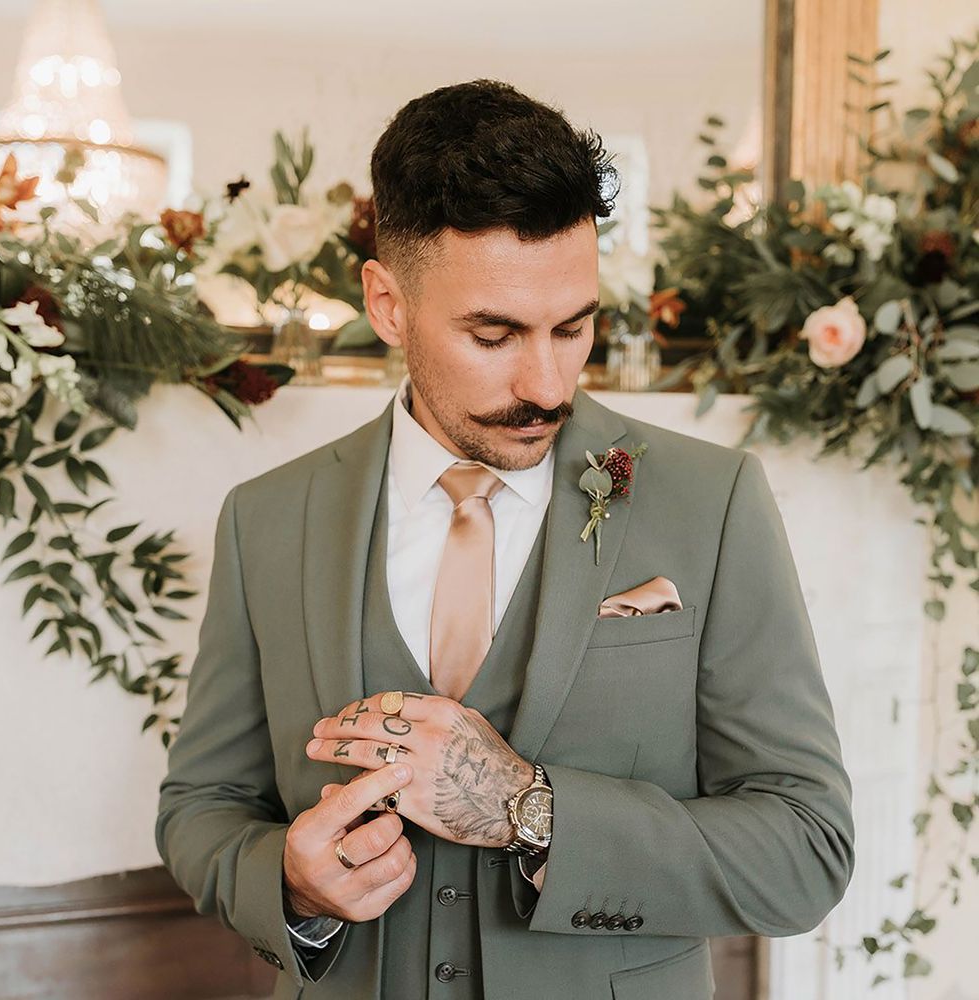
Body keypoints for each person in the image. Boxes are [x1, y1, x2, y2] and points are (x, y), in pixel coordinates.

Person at [155, 79, 854, 1000]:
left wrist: (533, 810)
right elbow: (201, 808)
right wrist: (288, 881)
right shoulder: (267, 519)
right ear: (387, 303)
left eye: (574, 327)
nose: (548, 383)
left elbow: (807, 848)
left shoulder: (712, 503)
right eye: (494, 334)